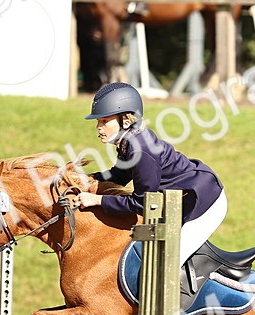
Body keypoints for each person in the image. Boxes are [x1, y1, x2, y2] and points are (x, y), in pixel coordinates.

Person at [76, 82, 226, 269]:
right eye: (98, 122)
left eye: (105, 121)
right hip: (187, 198)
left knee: (168, 265)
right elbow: (119, 176)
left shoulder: (140, 149)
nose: (99, 127)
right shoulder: (129, 141)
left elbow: (141, 203)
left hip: (204, 202)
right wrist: (83, 180)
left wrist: (97, 200)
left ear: (126, 120)